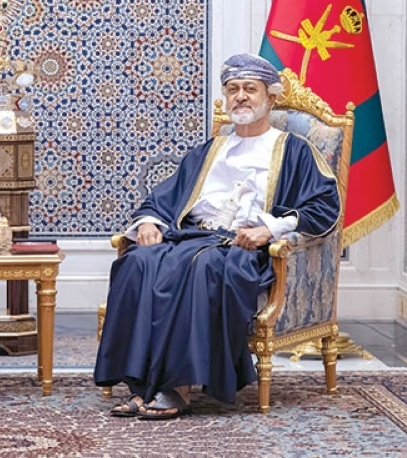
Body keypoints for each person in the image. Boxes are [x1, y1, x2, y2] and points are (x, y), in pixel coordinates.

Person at [94, 53, 341, 420]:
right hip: (193, 237)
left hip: (243, 247)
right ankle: (141, 384)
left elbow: (325, 207)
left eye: (250, 89)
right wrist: (148, 221)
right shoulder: (210, 150)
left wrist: (269, 229)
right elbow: (165, 196)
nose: (240, 96)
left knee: (204, 268)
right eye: (233, 89)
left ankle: (176, 388)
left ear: (270, 98)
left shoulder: (293, 150)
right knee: (137, 261)